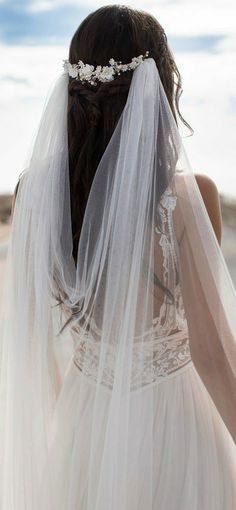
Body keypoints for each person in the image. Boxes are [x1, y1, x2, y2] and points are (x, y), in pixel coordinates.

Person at [0, 5, 236, 510]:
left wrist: (73, 431)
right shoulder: (188, 197)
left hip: (85, 419)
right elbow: (213, 355)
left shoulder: (34, 196)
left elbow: (37, 343)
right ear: (157, 84)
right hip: (175, 425)